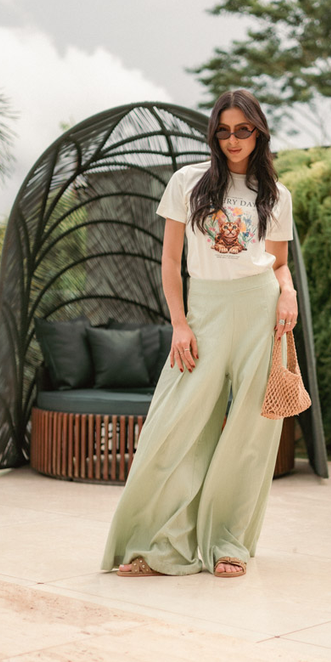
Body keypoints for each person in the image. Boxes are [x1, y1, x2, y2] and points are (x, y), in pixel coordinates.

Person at [100, 89, 297, 578]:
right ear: (213, 134)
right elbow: (171, 261)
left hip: (260, 310)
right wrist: (180, 324)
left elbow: (278, 264)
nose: (233, 139)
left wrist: (288, 292)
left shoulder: (276, 194)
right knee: (174, 426)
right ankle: (155, 545)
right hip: (204, 311)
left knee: (251, 431)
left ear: (258, 132)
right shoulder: (187, 182)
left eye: (243, 130)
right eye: (224, 130)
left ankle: (229, 542)